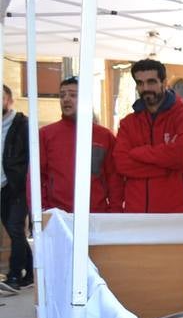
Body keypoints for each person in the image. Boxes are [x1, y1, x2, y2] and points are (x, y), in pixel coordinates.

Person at [113, 58, 183, 212]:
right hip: (137, 215)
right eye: (140, 83)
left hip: (179, 216)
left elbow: (180, 155)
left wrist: (138, 153)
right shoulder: (128, 124)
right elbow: (121, 163)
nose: (145, 87)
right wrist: (168, 168)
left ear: (164, 82)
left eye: (151, 82)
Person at [38, 77, 124, 215]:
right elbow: (37, 176)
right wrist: (42, 211)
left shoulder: (104, 136)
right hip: (58, 216)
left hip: (96, 215)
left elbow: (114, 179)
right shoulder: (45, 134)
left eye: (73, 95)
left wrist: (115, 212)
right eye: (62, 95)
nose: (66, 99)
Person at [1, 84, 32, 289]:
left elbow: (30, 156)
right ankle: (30, 271)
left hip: (17, 185)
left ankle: (14, 275)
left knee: (15, 227)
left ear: (10, 100)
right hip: (2, 187)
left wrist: (24, 182)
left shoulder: (22, 124)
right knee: (14, 231)